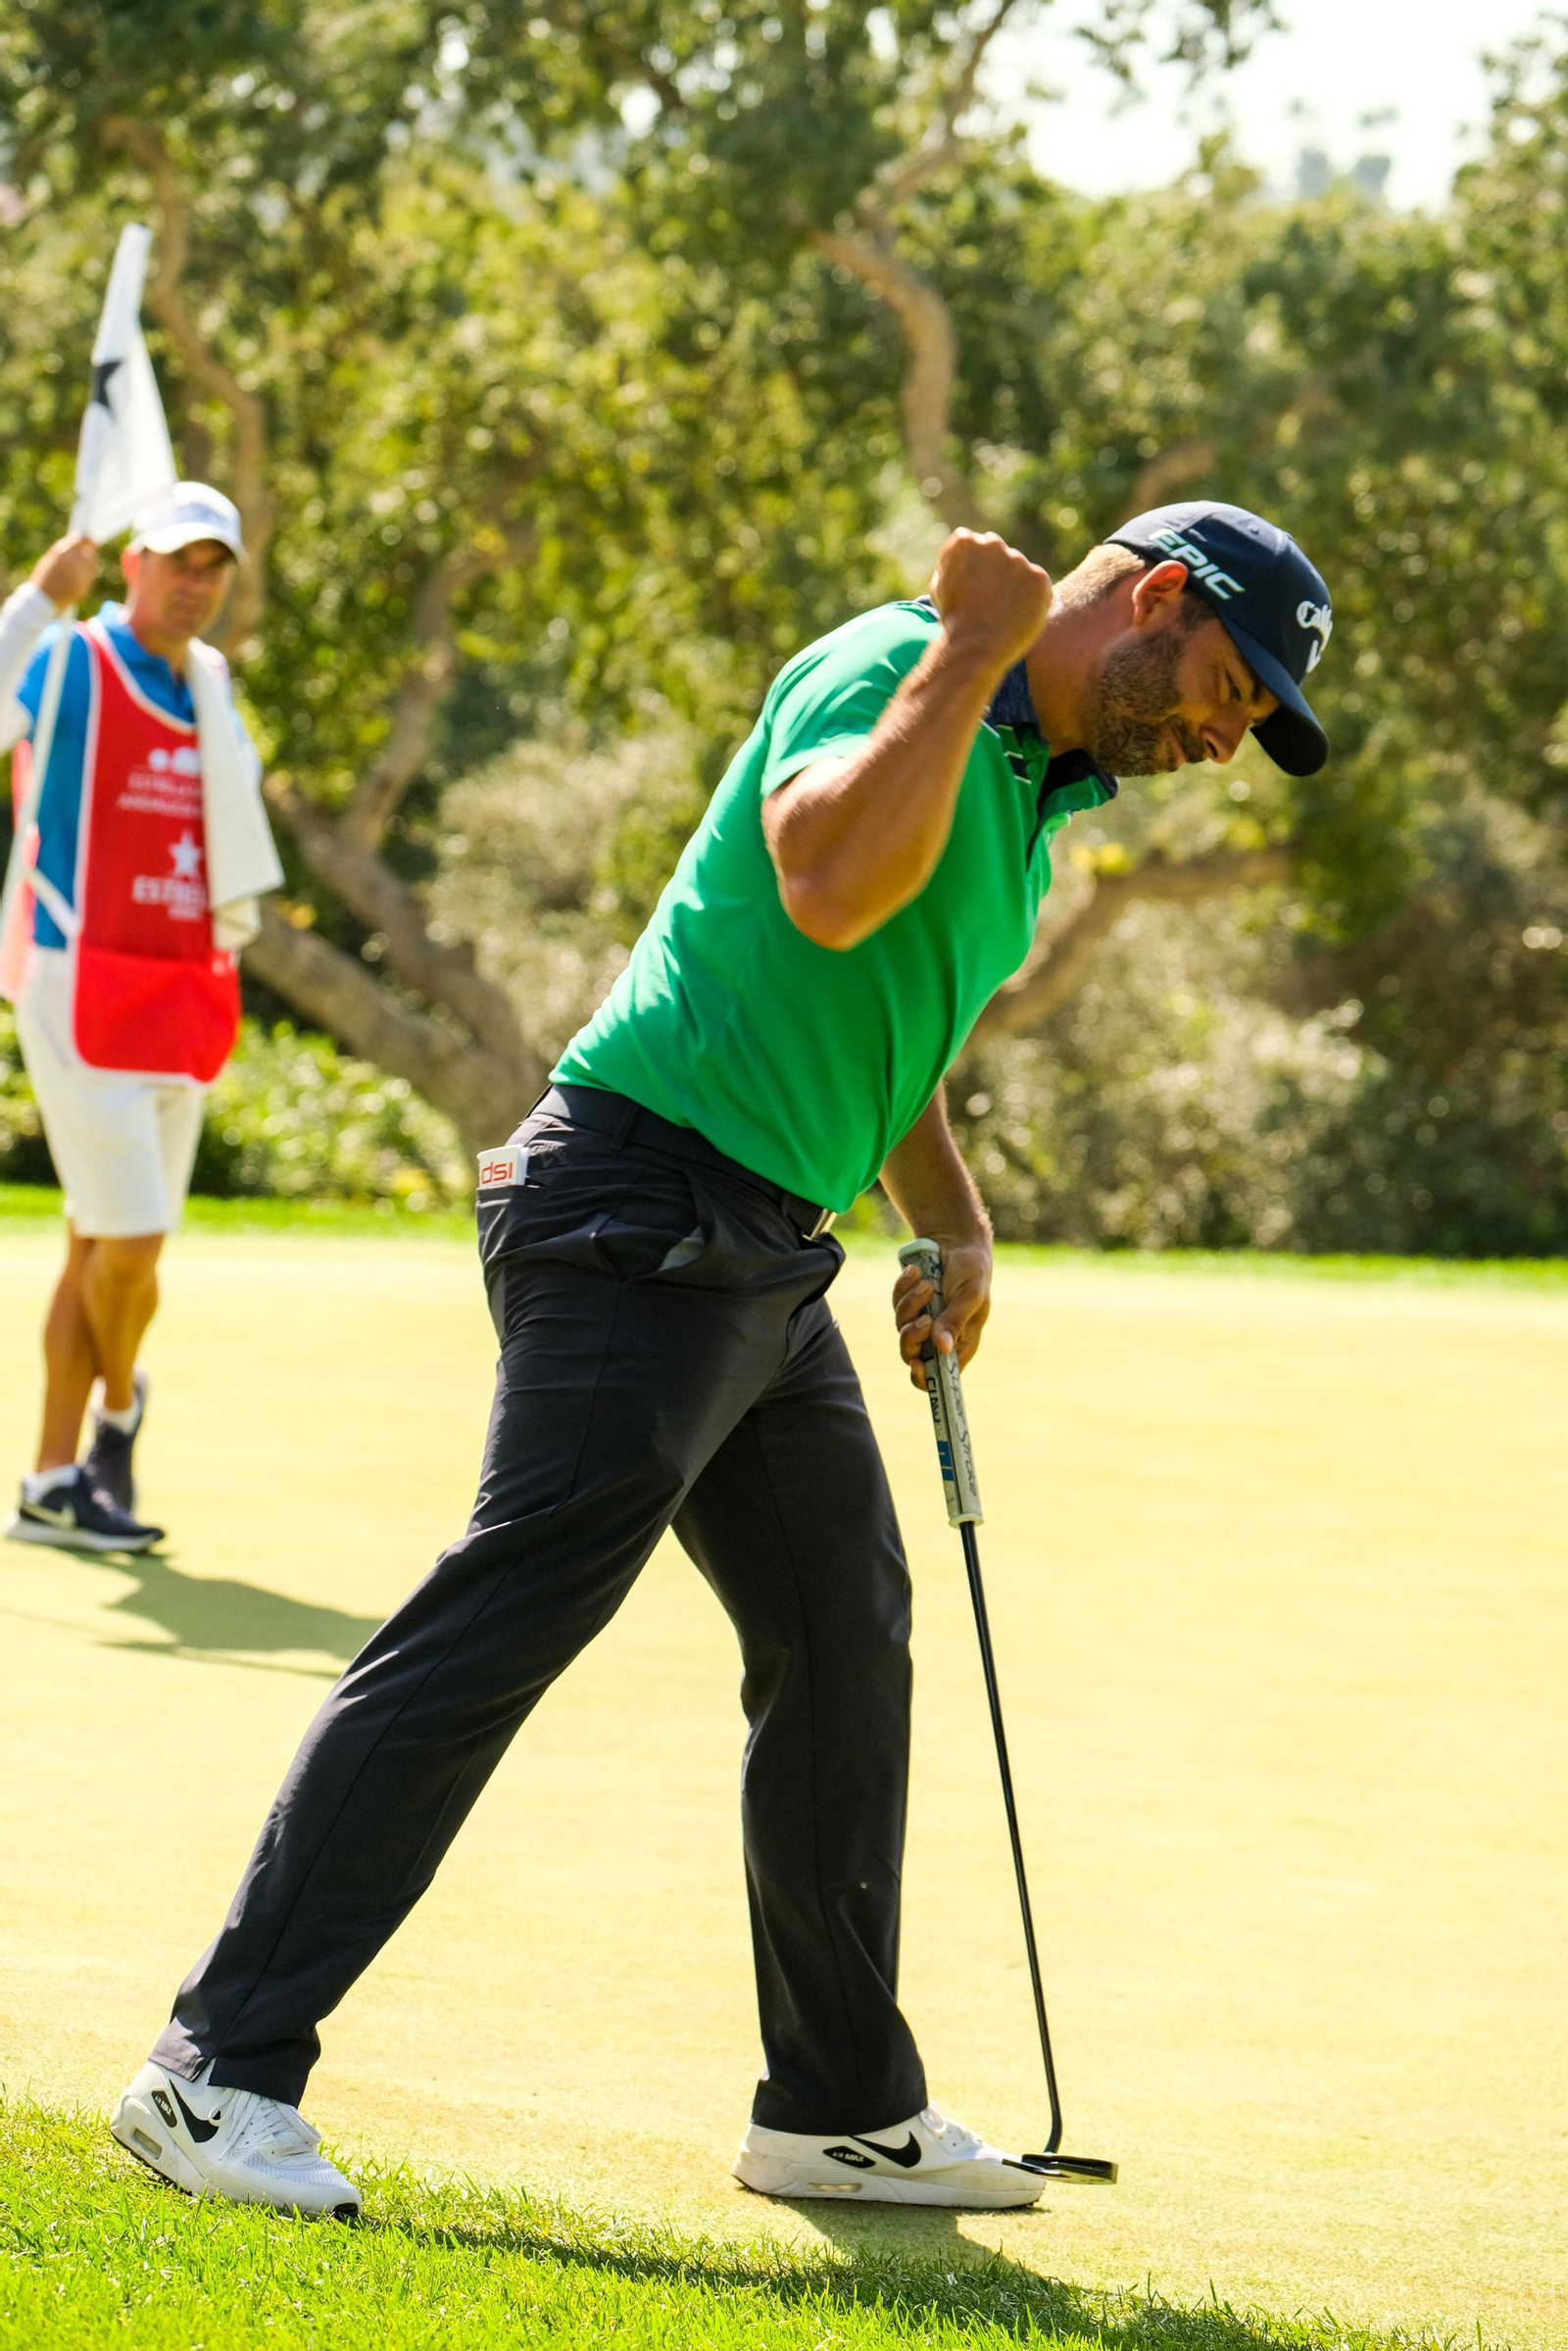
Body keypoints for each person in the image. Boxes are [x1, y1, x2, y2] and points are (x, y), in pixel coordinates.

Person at [110, 500, 1333, 2221]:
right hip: (635, 1199)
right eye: (1230, 682)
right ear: (1152, 596)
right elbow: (826, 878)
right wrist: (974, 642)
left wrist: (956, 1220)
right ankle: (211, 2066)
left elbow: (881, 1027)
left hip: (757, 1248)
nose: (1226, 733)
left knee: (844, 1625)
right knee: (510, 1607)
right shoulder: (904, 659)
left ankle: (834, 2103)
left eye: (1253, 723)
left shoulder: (1029, 802)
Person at [1, 483, 281, 1555]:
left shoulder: (208, 685)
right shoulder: (72, 658)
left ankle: (53, 1479)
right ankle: (119, 1418)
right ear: (132, 563)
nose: (195, 583)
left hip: (179, 986)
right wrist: (35, 597)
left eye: (214, 566)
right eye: (177, 560)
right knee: (130, 1238)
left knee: (99, 1246)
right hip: (76, 978)